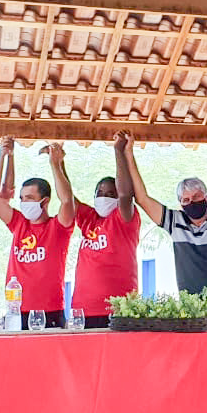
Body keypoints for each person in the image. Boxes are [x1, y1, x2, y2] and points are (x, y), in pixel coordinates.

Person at [124, 129, 207, 327]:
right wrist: (128, 153)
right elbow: (142, 198)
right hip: (193, 308)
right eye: (186, 200)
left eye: (196, 197)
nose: (191, 202)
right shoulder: (175, 222)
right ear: (180, 203)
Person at [0, 139, 76, 329]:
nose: (23, 202)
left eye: (29, 198)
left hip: (50, 312)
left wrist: (55, 164)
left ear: (45, 201)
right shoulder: (19, 223)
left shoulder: (58, 227)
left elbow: (67, 200)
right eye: (21, 198)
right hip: (16, 313)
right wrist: (5, 156)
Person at [72, 134, 142, 328]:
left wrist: (118, 151)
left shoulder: (124, 218)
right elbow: (67, 198)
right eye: (100, 193)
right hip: (83, 310)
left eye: (111, 194)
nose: (104, 197)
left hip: (120, 309)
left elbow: (126, 194)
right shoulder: (88, 218)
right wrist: (57, 164)